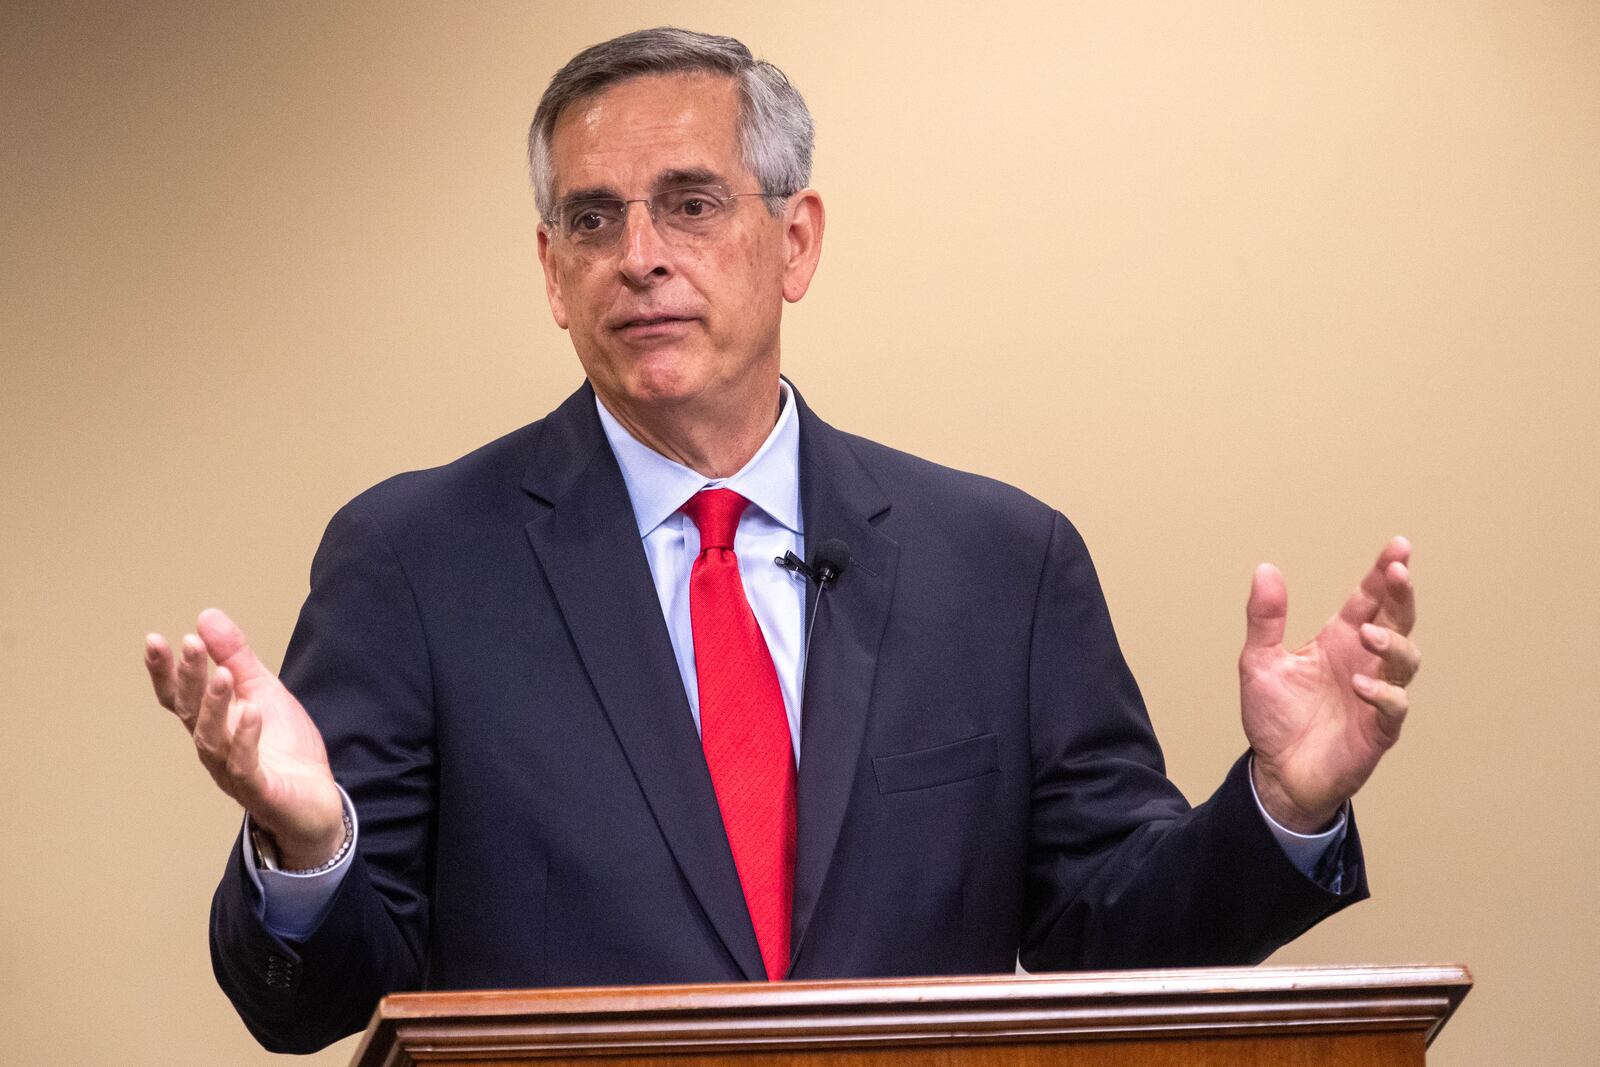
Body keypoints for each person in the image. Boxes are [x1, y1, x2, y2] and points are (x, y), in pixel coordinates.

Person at [144, 28, 1420, 1055]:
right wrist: (309, 846)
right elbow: (303, 1003)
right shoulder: (415, 559)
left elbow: (1110, 937)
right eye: (592, 221)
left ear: (794, 241)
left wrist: (1280, 808)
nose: (638, 258)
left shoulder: (1001, 564)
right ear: (550, 271)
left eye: (689, 204)